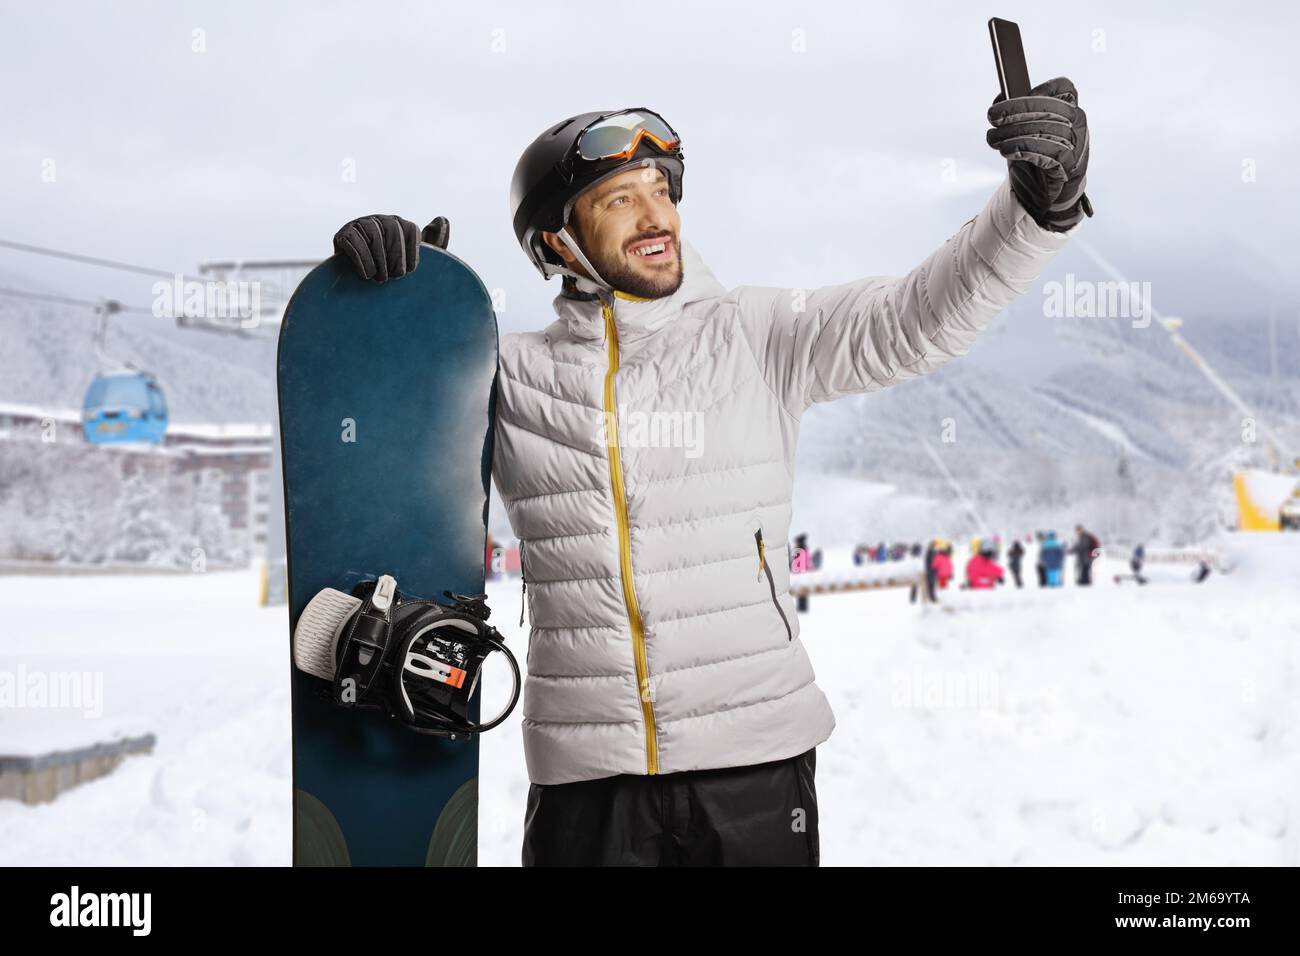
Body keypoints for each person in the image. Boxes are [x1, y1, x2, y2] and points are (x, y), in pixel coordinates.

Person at [328, 90, 1089, 867]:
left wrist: (1034, 212)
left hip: (756, 765)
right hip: (588, 779)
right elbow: (381, 442)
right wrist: (378, 309)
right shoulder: (511, 376)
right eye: (619, 199)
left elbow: (916, 316)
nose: (655, 216)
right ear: (556, 243)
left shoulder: (759, 334)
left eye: (662, 190)